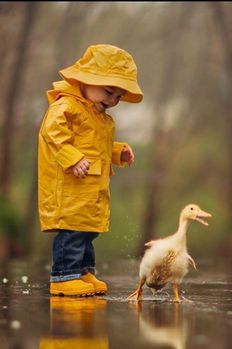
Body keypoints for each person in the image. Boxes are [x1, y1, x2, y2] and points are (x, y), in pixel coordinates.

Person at [38, 44, 143, 297]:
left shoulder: (100, 116)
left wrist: (117, 152)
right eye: (108, 91)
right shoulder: (67, 107)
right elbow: (51, 133)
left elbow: (96, 145)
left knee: (87, 232)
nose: (112, 100)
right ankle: (63, 276)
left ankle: (84, 272)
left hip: (91, 188)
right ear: (85, 79)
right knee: (73, 229)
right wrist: (72, 158)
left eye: (118, 96)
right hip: (70, 185)